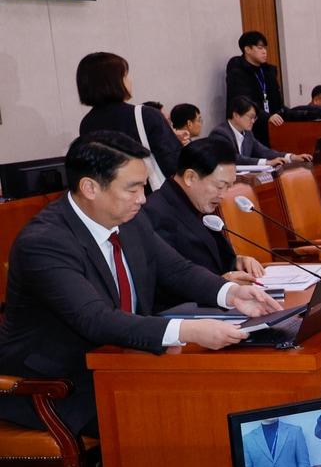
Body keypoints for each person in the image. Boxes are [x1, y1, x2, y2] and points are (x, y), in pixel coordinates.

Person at [0, 132, 282, 437]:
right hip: (57, 385)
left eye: (144, 187)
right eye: (132, 189)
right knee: (173, 417)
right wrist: (188, 331)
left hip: (120, 362)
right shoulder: (44, 242)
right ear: (90, 188)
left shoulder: (130, 220)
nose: (143, 198)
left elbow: (176, 269)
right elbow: (94, 319)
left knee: (216, 394)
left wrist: (231, 293)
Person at [144, 138, 266, 301]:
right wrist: (221, 284)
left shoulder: (197, 203)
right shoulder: (155, 213)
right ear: (190, 177)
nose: (223, 195)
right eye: (219, 186)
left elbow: (212, 260)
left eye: (228, 187)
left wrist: (238, 261)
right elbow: (168, 282)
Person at [76, 51, 182, 185]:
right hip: (150, 197)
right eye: (125, 76)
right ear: (112, 82)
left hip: (112, 200)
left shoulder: (86, 124)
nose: (130, 81)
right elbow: (175, 163)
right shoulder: (146, 115)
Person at [224, 31, 286, 145]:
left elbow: (277, 102)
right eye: (260, 48)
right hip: (251, 127)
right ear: (247, 49)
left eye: (265, 48)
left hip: (271, 126)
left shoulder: (268, 72)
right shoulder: (237, 73)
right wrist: (266, 117)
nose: (264, 52)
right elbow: (243, 103)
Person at [209, 96, 305, 165]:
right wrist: (266, 162)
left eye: (254, 118)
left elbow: (264, 151)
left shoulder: (247, 133)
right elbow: (233, 158)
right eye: (250, 117)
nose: (253, 121)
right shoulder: (220, 133)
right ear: (236, 115)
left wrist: (291, 157)